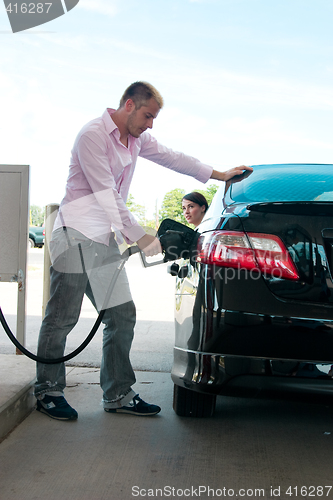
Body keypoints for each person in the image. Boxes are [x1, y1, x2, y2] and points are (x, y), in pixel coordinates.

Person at [35, 81, 253, 421]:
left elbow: (172, 157)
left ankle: (118, 393)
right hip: (75, 233)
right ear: (128, 105)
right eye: (147, 115)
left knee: (121, 315)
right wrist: (140, 237)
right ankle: (48, 391)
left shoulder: (137, 139)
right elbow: (106, 195)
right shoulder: (92, 135)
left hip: (103, 239)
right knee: (62, 317)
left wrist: (218, 174)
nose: (150, 124)